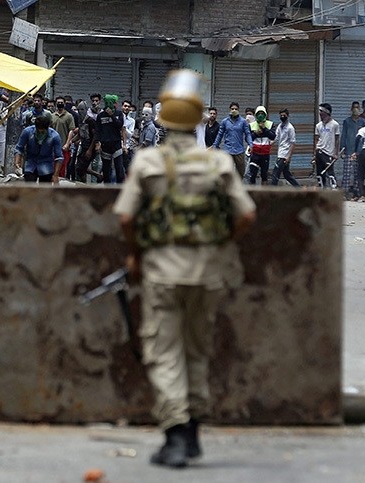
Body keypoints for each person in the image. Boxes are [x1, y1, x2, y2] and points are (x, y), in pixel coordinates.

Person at [113, 69, 256, 469]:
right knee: (197, 349)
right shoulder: (219, 162)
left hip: (162, 271)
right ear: (198, 119)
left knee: (164, 351)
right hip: (209, 272)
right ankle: (192, 433)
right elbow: (247, 213)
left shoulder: (147, 162)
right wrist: (222, 241)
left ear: (161, 118)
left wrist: (136, 254)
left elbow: (125, 218)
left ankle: (176, 436)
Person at [13, 115, 63, 184]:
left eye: (43, 132)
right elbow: (19, 148)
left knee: (45, 191)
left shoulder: (55, 136)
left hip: (46, 165)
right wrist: (16, 163)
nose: (40, 133)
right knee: (29, 189)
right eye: (39, 131)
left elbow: (59, 157)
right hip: (30, 164)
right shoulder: (27, 132)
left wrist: (55, 175)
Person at [211, 101, 253, 178]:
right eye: (232, 109)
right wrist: (214, 146)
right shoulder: (225, 122)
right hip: (228, 150)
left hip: (239, 151)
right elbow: (220, 135)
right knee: (226, 172)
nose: (234, 110)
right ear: (230, 110)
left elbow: (248, 134)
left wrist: (250, 144)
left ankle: (238, 187)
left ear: (238, 110)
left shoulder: (243, 122)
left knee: (240, 173)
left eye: (236, 109)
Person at [95, 94, 127, 183]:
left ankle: (120, 189)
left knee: (119, 169)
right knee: (106, 171)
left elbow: (120, 125)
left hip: (116, 145)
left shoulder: (119, 114)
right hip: (105, 145)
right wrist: (97, 143)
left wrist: (112, 115)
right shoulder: (100, 115)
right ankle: (107, 191)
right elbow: (98, 130)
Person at [340, 101, 365, 199]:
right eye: (354, 107)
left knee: (357, 173)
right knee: (347, 173)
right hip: (348, 150)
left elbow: (364, 137)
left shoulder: (363, 122)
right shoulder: (347, 121)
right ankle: (344, 192)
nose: (356, 109)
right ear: (351, 109)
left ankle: (356, 192)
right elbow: (344, 135)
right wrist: (342, 149)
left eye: (357, 107)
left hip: (359, 151)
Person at [245, 105, 276, 184]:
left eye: (262, 113)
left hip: (265, 154)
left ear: (265, 114)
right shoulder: (251, 125)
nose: (260, 115)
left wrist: (265, 129)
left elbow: (273, 136)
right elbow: (247, 138)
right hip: (255, 154)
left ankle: (264, 195)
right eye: (259, 113)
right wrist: (255, 133)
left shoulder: (270, 124)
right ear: (256, 115)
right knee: (252, 175)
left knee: (264, 175)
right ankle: (253, 194)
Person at [313, 103, 340, 188]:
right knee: (320, 173)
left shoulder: (335, 124)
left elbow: (337, 139)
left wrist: (336, 153)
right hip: (319, 151)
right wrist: (315, 153)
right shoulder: (318, 125)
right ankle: (322, 190)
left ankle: (334, 190)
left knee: (330, 173)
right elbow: (316, 139)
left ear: (327, 112)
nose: (320, 114)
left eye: (322, 112)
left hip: (328, 153)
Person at [271, 108, 300, 187]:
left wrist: (288, 157)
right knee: (287, 175)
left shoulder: (290, 128)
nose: (282, 117)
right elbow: (276, 138)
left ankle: (272, 193)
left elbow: (293, 143)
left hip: (284, 155)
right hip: (280, 153)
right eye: (281, 115)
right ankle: (299, 189)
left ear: (288, 116)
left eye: (284, 115)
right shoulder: (280, 126)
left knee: (275, 174)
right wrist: (268, 144)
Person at [51, 96, 76, 177]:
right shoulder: (52, 116)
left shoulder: (69, 116)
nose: (60, 104)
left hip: (63, 147)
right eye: (58, 103)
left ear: (64, 104)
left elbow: (71, 130)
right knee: (53, 168)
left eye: (61, 103)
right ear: (55, 104)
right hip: (53, 147)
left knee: (62, 168)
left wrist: (67, 143)